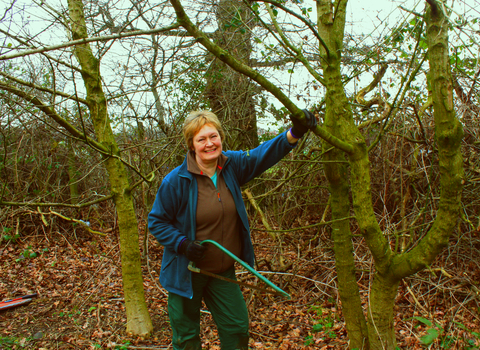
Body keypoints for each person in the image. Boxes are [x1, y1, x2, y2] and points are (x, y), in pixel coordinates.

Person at [148, 109, 317, 350]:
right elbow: (157, 221)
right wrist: (182, 244)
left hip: (222, 271)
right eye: (201, 139)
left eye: (213, 136)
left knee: (237, 330)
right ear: (191, 145)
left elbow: (262, 155)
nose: (209, 144)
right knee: (186, 340)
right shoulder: (176, 181)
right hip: (185, 273)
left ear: (221, 137)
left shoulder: (231, 165)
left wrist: (295, 133)